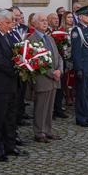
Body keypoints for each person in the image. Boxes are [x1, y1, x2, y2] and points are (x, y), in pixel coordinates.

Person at [0, 9, 23, 161]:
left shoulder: (7, 36)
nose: (9, 25)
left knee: (10, 118)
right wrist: (18, 71)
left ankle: (10, 145)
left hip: (11, 84)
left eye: (10, 22)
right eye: (7, 23)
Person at [28, 13, 63, 142]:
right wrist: (52, 73)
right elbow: (36, 60)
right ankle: (39, 132)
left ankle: (47, 130)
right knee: (41, 107)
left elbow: (58, 56)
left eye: (46, 21)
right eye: (42, 21)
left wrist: (59, 70)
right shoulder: (32, 39)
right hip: (43, 78)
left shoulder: (50, 38)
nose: (45, 23)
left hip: (54, 78)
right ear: (34, 23)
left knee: (49, 107)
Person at [71, 6, 88, 127]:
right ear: (80, 17)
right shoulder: (77, 30)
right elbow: (76, 51)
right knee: (81, 93)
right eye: (87, 15)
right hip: (83, 66)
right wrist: (78, 68)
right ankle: (80, 117)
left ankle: (86, 116)